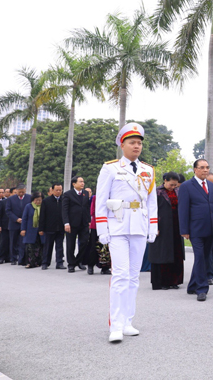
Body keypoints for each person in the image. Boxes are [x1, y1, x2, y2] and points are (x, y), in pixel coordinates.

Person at [94, 123, 158, 343]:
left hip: (139, 225)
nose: (137, 146)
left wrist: (153, 227)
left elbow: (151, 202)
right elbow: (101, 201)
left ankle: (128, 320)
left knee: (133, 276)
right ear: (123, 145)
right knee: (120, 275)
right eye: (132, 142)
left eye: (139, 143)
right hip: (118, 225)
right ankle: (116, 324)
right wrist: (102, 229)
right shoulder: (110, 168)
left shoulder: (148, 170)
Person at [178, 159, 213, 302]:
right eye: (202, 167)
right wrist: (184, 229)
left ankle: (192, 285)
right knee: (200, 257)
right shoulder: (186, 186)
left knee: (204, 257)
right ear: (195, 170)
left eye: (207, 167)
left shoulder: (212, 186)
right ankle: (201, 289)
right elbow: (183, 209)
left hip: (211, 229)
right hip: (195, 229)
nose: (205, 170)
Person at [150, 172, 184, 290]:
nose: (173, 187)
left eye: (175, 185)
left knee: (175, 253)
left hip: (176, 226)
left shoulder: (178, 191)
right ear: (165, 180)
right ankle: (161, 282)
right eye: (171, 184)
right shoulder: (156, 192)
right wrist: (154, 227)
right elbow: (151, 210)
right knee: (162, 253)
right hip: (162, 226)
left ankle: (174, 281)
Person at [63, 176, 90, 273]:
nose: (83, 183)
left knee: (84, 243)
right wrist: (66, 223)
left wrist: (89, 220)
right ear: (74, 184)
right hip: (72, 223)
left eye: (83, 181)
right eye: (80, 182)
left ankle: (78, 261)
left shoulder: (85, 193)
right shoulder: (67, 194)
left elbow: (86, 208)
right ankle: (71, 264)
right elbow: (65, 210)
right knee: (71, 245)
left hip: (84, 223)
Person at [39, 184, 65, 269]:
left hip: (60, 228)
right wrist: (41, 228)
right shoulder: (46, 201)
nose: (58, 192)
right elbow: (42, 215)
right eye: (57, 190)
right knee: (48, 246)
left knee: (60, 246)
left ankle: (59, 263)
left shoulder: (64, 200)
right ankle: (45, 263)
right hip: (49, 227)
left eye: (60, 190)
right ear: (52, 190)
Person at [5, 184, 31, 265]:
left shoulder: (29, 198)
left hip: (25, 223)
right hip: (14, 223)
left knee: (23, 242)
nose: (21, 194)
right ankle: (13, 258)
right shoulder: (11, 199)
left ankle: (22, 259)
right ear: (16, 191)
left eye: (23, 192)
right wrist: (16, 219)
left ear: (25, 191)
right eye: (19, 192)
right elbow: (8, 211)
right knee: (13, 241)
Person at [87, 194, 111, 275]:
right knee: (94, 246)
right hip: (97, 225)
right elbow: (92, 211)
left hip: (109, 226)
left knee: (106, 248)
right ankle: (90, 265)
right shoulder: (96, 197)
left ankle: (105, 267)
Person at [20, 191, 43, 268]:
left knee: (39, 247)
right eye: (36, 200)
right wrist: (23, 229)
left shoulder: (43, 206)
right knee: (29, 247)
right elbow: (24, 218)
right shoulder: (28, 206)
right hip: (30, 230)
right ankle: (30, 262)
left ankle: (38, 262)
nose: (38, 201)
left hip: (40, 230)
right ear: (33, 199)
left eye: (40, 200)